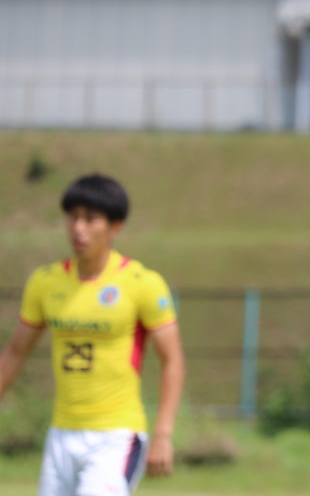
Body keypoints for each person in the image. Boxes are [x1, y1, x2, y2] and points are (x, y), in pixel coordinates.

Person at [0, 174, 185, 496]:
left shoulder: (142, 283)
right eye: (73, 217)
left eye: (90, 219)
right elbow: (16, 352)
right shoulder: (45, 282)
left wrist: (163, 434)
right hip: (61, 435)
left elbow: (173, 361)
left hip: (117, 436)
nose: (78, 228)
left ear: (115, 226)